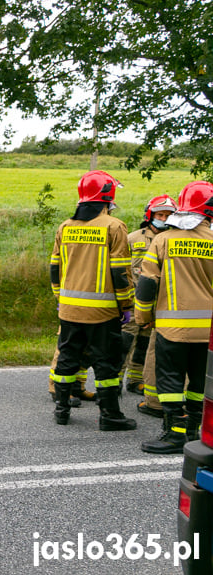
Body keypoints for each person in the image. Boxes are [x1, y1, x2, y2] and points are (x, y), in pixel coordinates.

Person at [48, 170, 136, 430]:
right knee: (105, 364)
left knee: (67, 359)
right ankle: (109, 416)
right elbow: (120, 272)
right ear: (108, 197)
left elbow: (55, 268)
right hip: (103, 312)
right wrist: (126, 305)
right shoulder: (114, 226)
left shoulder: (65, 226)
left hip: (69, 309)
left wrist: (60, 298)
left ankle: (62, 410)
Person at [137, 181, 213, 454]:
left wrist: (143, 316)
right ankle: (194, 430)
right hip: (208, 333)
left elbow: (146, 284)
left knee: (169, 381)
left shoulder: (163, 240)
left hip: (172, 329)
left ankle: (174, 434)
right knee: (198, 381)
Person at [123, 195, 177, 398]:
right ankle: (114, 381)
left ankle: (136, 380)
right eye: (159, 214)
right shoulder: (133, 238)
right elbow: (121, 270)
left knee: (144, 345)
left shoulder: (172, 240)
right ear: (150, 215)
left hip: (156, 304)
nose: (163, 218)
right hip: (132, 302)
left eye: (167, 215)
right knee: (124, 342)